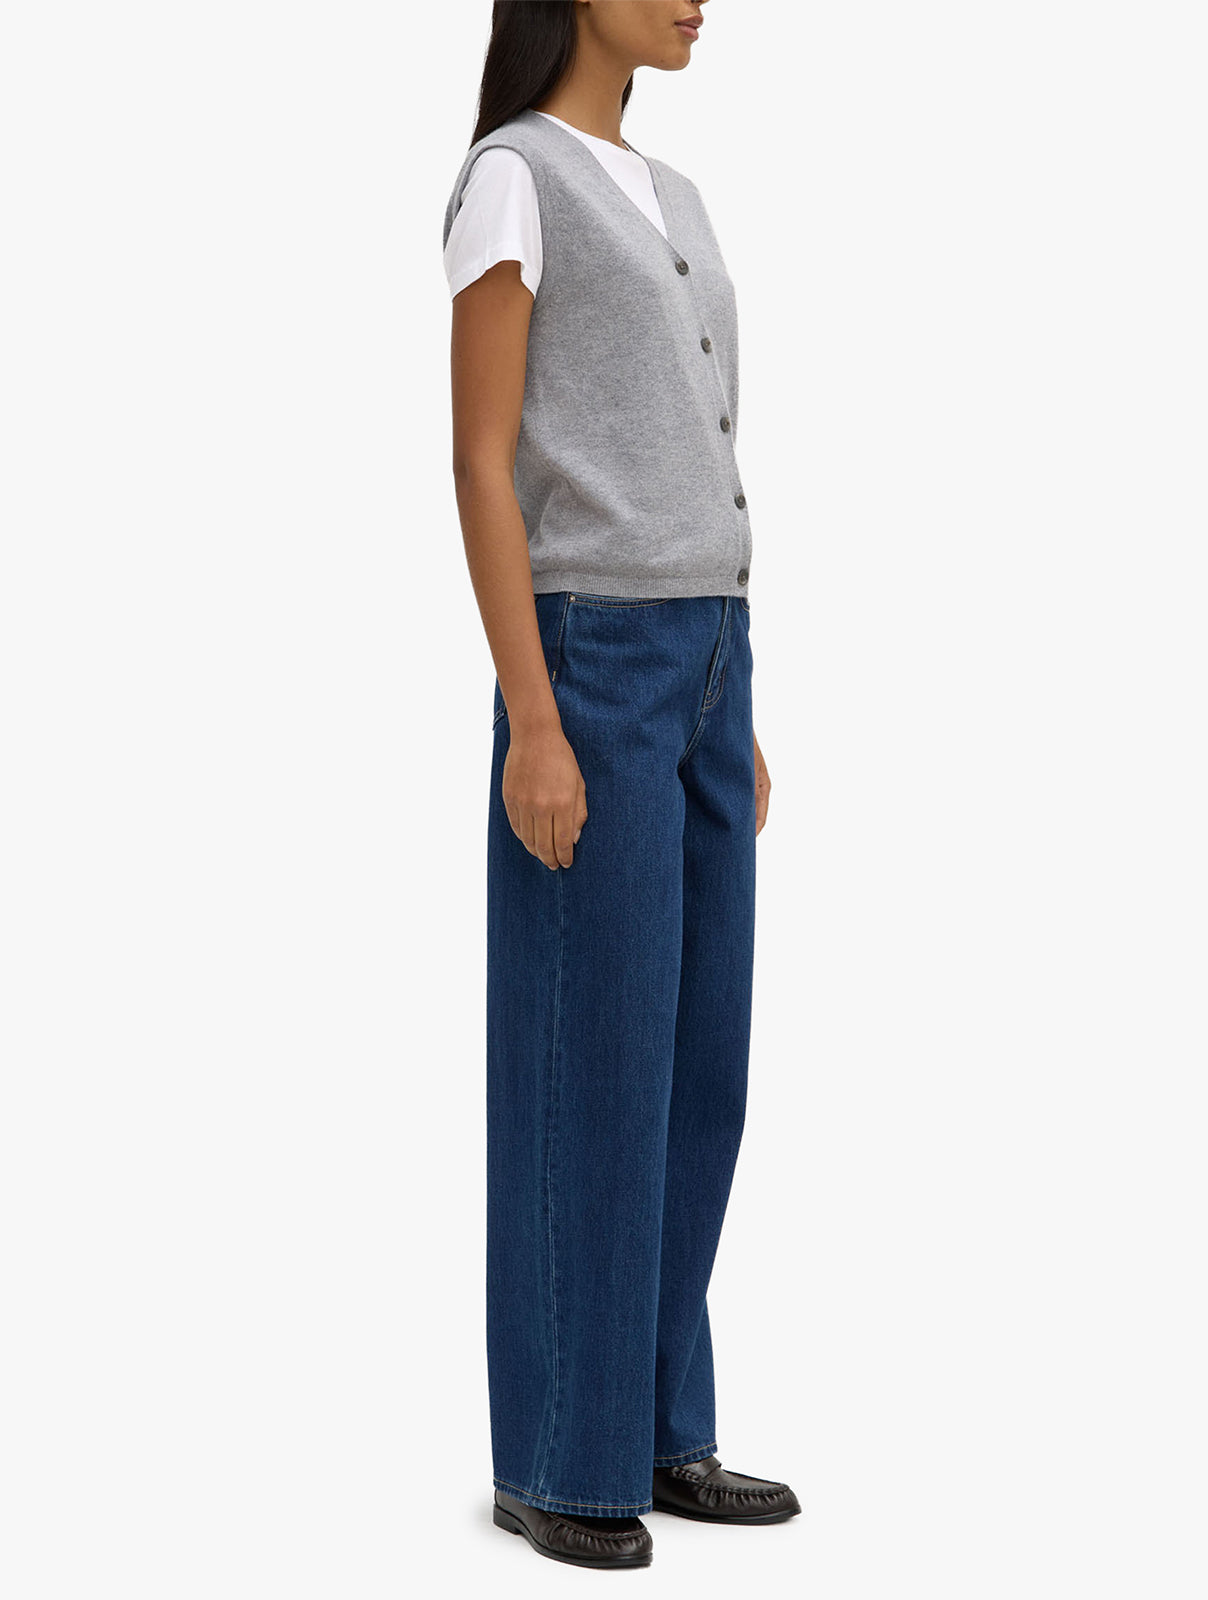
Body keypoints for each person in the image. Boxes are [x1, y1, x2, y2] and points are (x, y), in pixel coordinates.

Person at [443, 2, 800, 1570]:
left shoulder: (677, 195)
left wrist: (733, 703)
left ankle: (660, 1427)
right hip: (592, 658)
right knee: (585, 1059)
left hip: (710, 659)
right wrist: (535, 716)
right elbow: (481, 455)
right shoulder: (511, 178)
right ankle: (558, 1457)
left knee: (696, 1066)